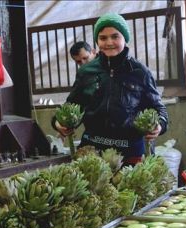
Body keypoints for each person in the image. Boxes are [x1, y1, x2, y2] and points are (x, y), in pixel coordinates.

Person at [53, 13, 168, 165]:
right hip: (93, 152)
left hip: (130, 153)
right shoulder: (86, 72)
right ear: (97, 41)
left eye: (115, 36)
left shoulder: (140, 72)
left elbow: (159, 109)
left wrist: (160, 124)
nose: (109, 42)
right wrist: (57, 123)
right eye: (103, 38)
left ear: (125, 38)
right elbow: (71, 105)